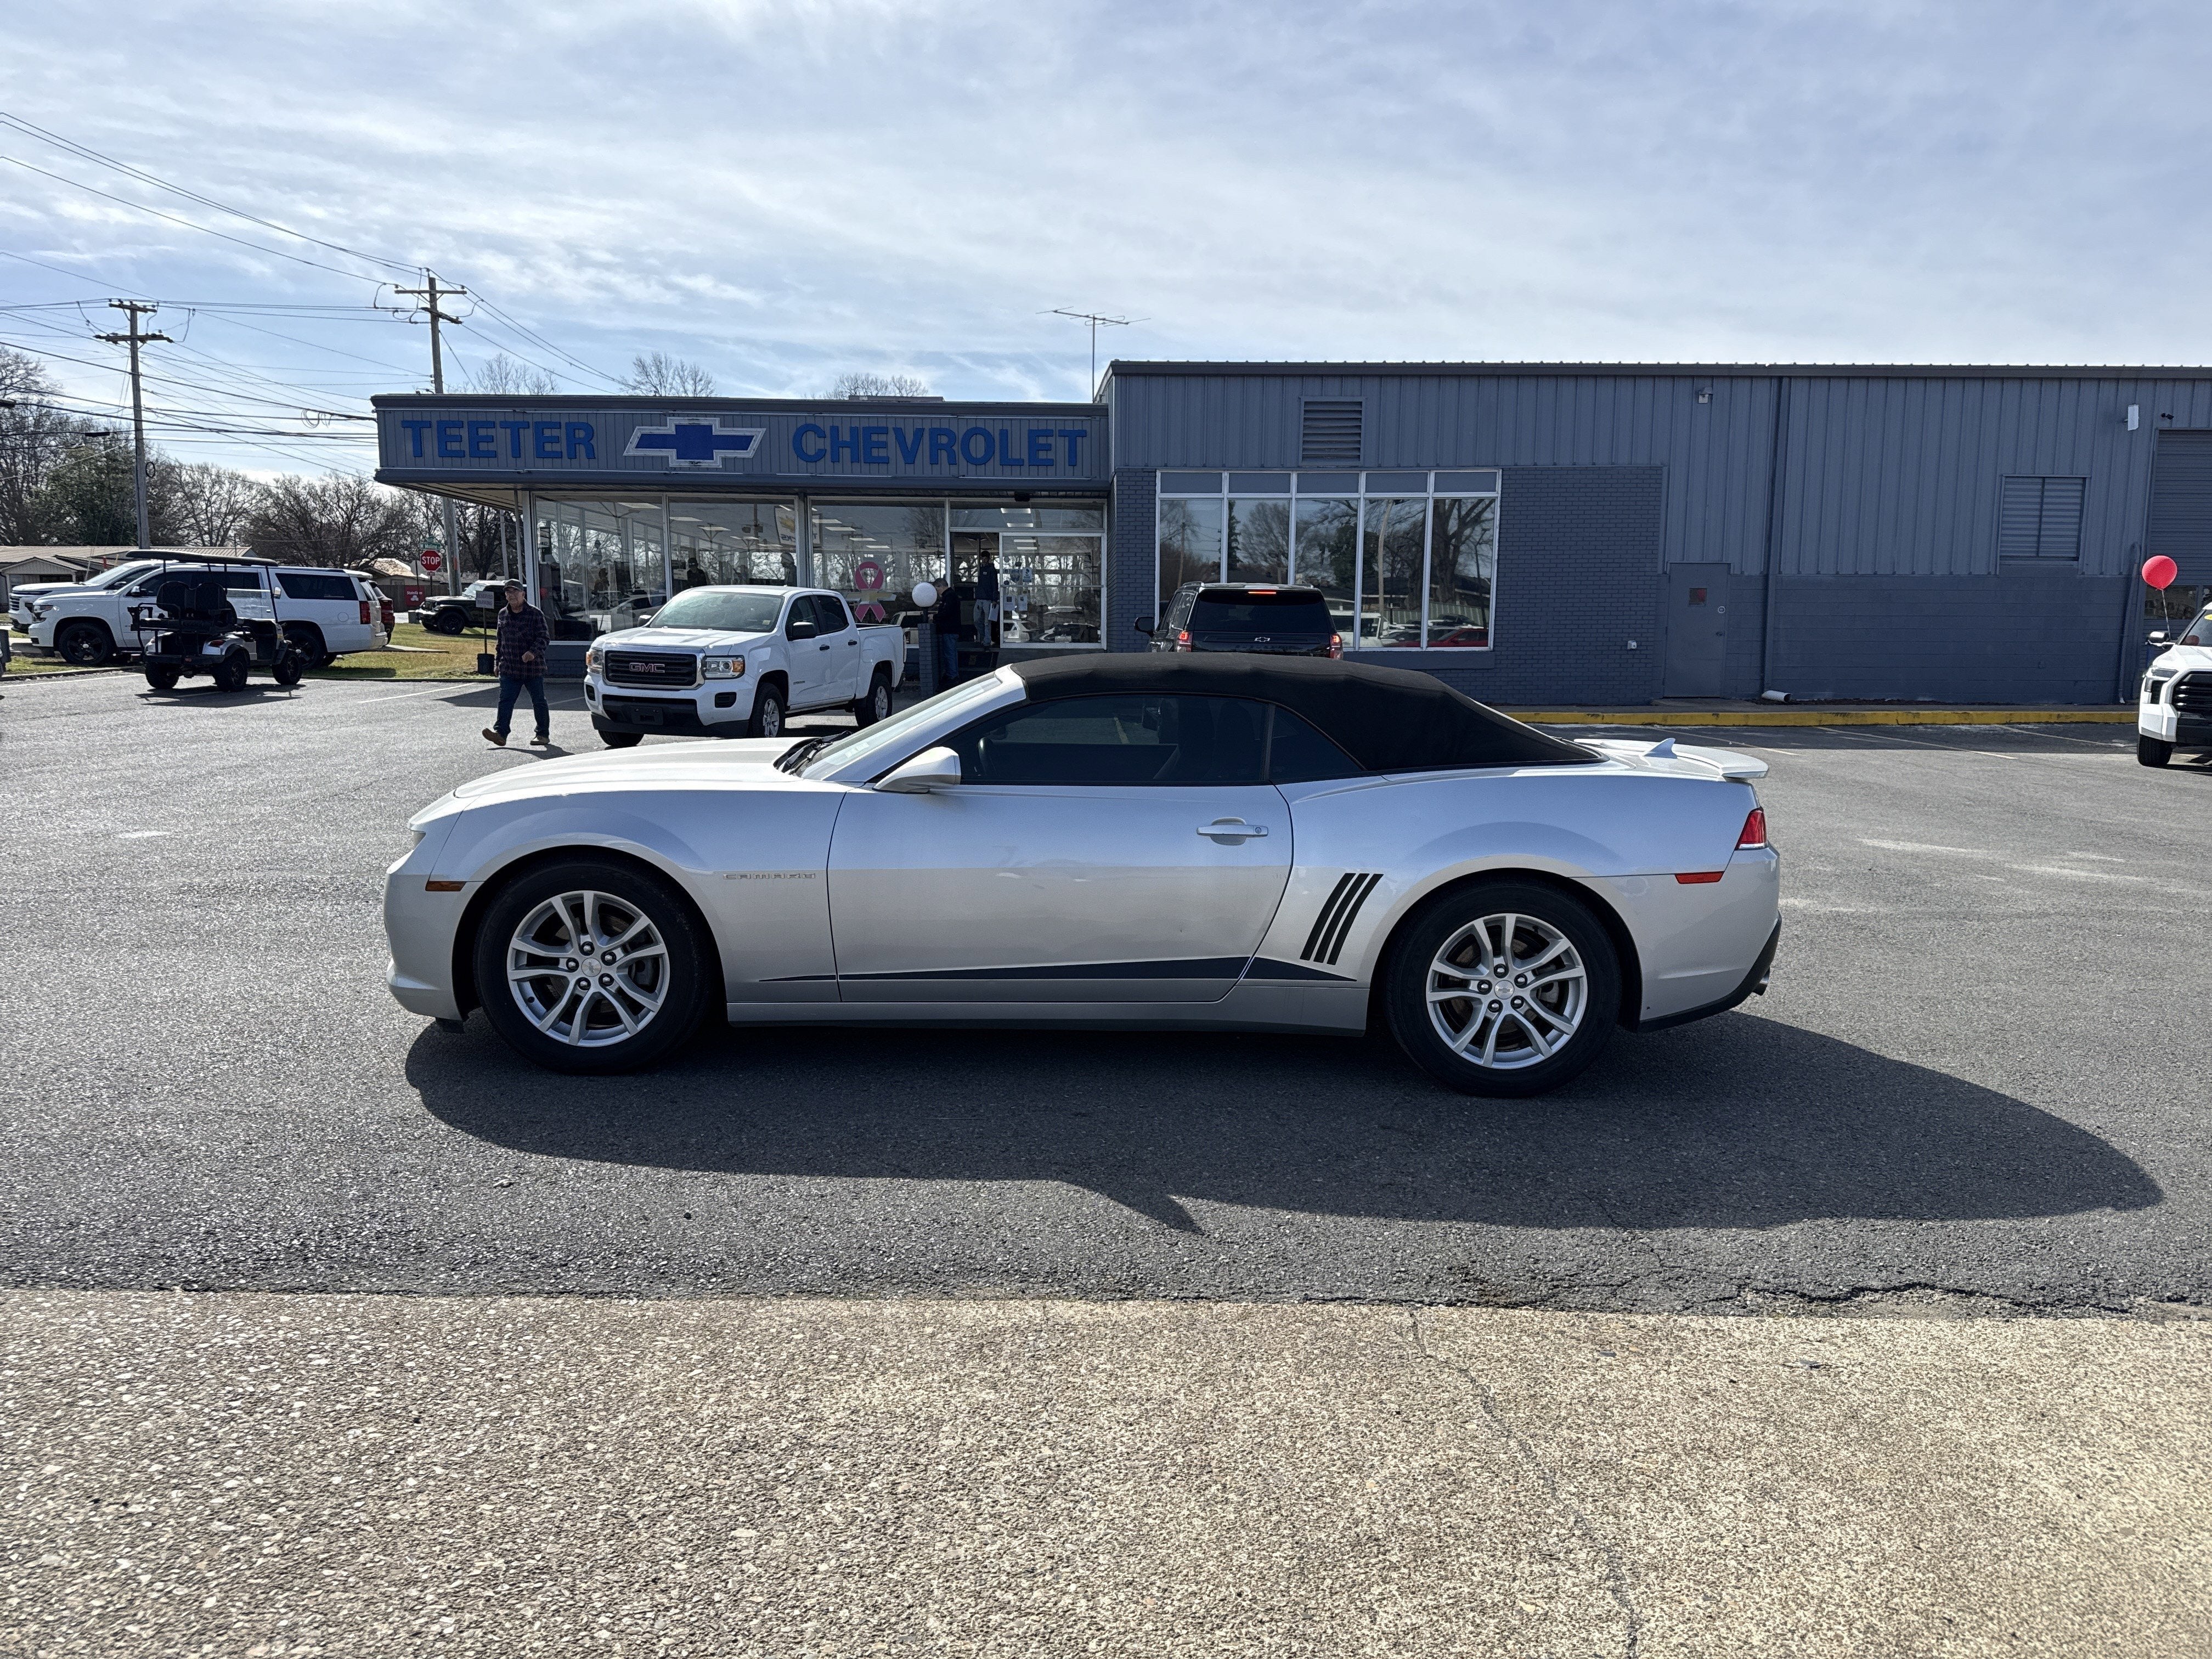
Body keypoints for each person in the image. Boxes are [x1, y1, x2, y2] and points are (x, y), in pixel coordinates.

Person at [483, 579, 551, 748]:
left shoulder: (535, 614)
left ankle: (542, 734)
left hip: (532, 669)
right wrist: (497, 663)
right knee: (505, 701)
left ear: (523, 594)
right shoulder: (502, 614)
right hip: (509, 667)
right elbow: (500, 642)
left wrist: (532, 652)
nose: (511, 595)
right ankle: (501, 734)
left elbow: (544, 637)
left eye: (514, 592)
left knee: (539, 701)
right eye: (508, 592)